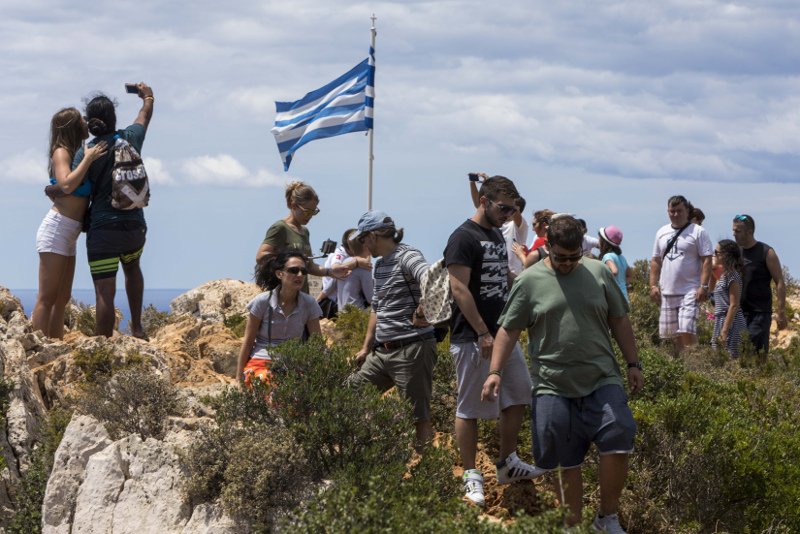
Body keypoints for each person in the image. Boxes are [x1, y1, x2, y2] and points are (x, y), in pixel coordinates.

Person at [482, 215, 643, 532]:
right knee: (561, 460)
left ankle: (606, 518)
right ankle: (571, 525)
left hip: (601, 377)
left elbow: (620, 320)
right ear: (548, 248)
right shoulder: (529, 281)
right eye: (560, 258)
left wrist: (633, 364)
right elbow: (508, 329)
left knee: (620, 434)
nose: (568, 264)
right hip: (552, 384)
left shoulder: (597, 272)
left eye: (574, 257)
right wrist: (495, 372)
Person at [446, 176, 543, 507]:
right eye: (503, 208)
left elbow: (503, 275)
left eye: (513, 209)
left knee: (518, 394)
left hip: (502, 332)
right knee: (469, 407)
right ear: (483, 201)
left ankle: (507, 462)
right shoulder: (463, 237)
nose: (508, 214)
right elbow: (458, 287)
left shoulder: (494, 235)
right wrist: (481, 331)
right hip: (473, 337)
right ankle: (472, 475)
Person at [347, 211, 437, 448]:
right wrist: (365, 348)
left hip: (411, 349)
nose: (363, 244)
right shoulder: (379, 265)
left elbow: (431, 279)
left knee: (418, 417)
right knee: (349, 395)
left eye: (364, 239)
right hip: (381, 352)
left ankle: (429, 475)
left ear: (374, 235)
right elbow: (377, 307)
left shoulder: (407, 256)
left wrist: (422, 311)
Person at [71, 85, 154, 338]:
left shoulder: (86, 153)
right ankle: (137, 328)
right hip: (133, 228)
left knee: (104, 290)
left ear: (89, 122)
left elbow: (76, 189)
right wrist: (148, 97)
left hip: (103, 230)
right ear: (113, 119)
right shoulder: (130, 138)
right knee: (133, 268)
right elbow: (144, 116)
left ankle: (103, 345)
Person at [33, 108, 108, 338]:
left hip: (70, 232)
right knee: (47, 297)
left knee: (62, 298)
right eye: (81, 120)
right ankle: (34, 346)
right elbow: (66, 185)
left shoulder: (78, 152)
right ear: (71, 126)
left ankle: (55, 344)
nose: (86, 123)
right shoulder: (61, 152)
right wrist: (88, 158)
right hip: (57, 228)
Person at [237, 250, 322, 387]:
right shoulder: (262, 302)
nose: (300, 275)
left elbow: (318, 344)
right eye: (294, 270)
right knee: (268, 384)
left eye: (303, 271)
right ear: (279, 274)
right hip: (261, 361)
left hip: (293, 364)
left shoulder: (309, 304)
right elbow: (247, 343)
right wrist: (238, 378)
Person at [255, 181, 350, 292]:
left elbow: (309, 266)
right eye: (306, 212)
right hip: (282, 294)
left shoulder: (304, 231)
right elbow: (260, 256)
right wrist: (289, 259)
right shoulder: (280, 228)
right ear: (293, 205)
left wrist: (331, 272)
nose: (310, 216)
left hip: (301, 294)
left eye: (313, 212)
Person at [649, 195, 713, 354]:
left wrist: (704, 286)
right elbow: (656, 260)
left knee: (686, 329)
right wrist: (653, 285)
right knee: (671, 335)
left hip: (689, 290)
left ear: (687, 211)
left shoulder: (698, 232)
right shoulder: (661, 232)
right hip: (667, 291)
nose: (675, 214)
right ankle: (681, 367)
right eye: (672, 211)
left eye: (679, 211)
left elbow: (707, 260)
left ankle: (697, 363)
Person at [732, 214, 788, 355]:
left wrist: (780, 312)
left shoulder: (766, 252)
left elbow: (779, 282)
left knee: (756, 352)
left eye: (738, 231)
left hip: (760, 313)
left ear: (749, 232)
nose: (734, 234)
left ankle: (762, 377)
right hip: (739, 312)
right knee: (738, 352)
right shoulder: (736, 252)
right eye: (733, 230)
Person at [469, 172, 528, 277]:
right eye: (503, 208)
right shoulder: (495, 223)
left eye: (510, 209)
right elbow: (480, 205)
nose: (506, 212)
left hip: (512, 276)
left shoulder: (518, 227)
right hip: (492, 273)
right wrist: (479, 185)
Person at [710, 240, 748, 358]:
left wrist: (725, 330)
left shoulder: (733, 275)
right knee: (719, 359)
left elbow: (734, 305)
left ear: (725, 255)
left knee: (730, 360)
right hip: (721, 321)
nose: (714, 255)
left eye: (716, 252)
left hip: (732, 323)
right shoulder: (724, 275)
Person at [333, 229, 373, 309]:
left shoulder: (345, 263)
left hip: (343, 315)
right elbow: (371, 299)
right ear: (366, 246)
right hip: (357, 316)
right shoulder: (364, 266)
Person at [599, 225, 632, 303]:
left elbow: (614, 271)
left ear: (604, 241)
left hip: (614, 299)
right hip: (624, 297)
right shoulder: (622, 257)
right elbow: (630, 275)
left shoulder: (607, 256)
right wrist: (623, 283)